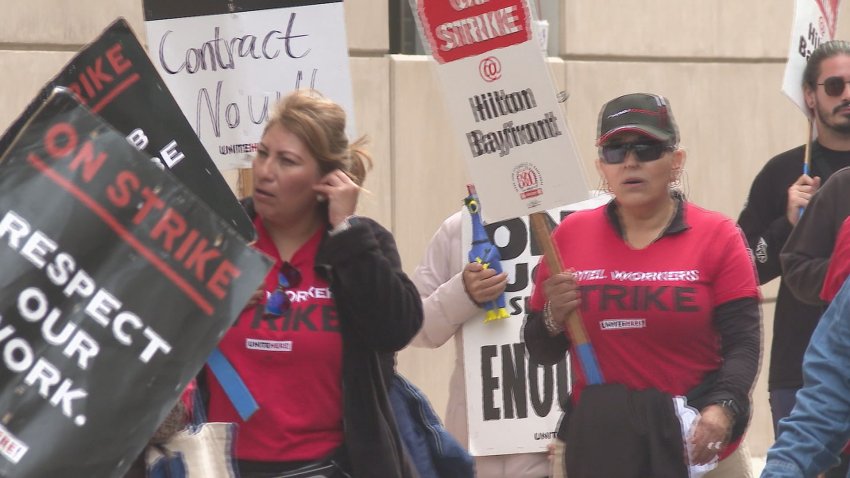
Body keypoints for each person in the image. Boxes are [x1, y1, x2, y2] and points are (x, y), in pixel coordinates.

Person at [523, 93, 761, 478]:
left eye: (647, 148)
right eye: (615, 151)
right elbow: (541, 349)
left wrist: (724, 408)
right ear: (602, 165)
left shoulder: (719, 235)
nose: (631, 162)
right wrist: (552, 316)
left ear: (676, 161)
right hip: (602, 447)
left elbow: (744, 342)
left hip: (699, 445)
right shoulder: (567, 237)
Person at [201, 90, 423, 478]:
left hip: (330, 467)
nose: (266, 171)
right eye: (263, 153)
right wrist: (212, 299)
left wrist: (345, 232)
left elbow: (395, 329)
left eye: (287, 161)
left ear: (327, 180)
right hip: (220, 466)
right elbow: (156, 337)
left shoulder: (359, 243)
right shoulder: (220, 236)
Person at [738, 39, 850, 440]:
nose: (847, 95)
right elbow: (744, 269)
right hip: (800, 367)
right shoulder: (782, 171)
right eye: (834, 86)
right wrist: (786, 223)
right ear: (810, 95)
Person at [410, 210, 551, 477]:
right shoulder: (457, 229)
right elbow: (414, 327)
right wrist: (462, 292)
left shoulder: (586, 219)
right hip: (477, 446)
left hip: (559, 446)